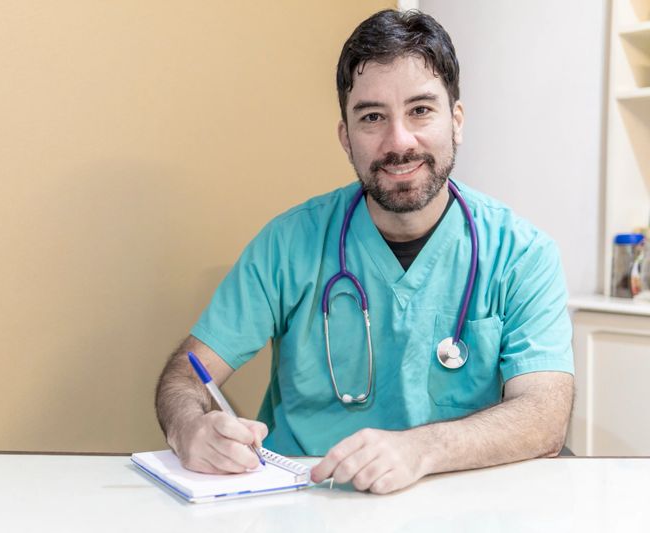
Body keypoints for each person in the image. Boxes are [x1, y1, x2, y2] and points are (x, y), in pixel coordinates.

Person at [155, 9, 574, 495]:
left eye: (421, 110)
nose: (399, 142)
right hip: (304, 498)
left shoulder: (522, 255)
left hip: (455, 499)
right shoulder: (287, 244)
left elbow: (545, 415)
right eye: (372, 117)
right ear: (346, 138)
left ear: (456, 121)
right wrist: (190, 428)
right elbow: (186, 375)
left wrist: (422, 449)